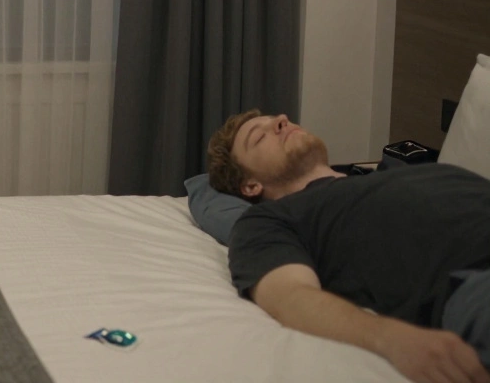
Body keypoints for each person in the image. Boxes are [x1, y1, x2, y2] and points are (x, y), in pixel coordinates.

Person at [207, 110, 490, 383]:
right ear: (250, 186)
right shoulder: (268, 221)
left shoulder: (391, 172)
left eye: (279, 119)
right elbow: (291, 297)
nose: (282, 120)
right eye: (259, 137)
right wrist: (391, 339)